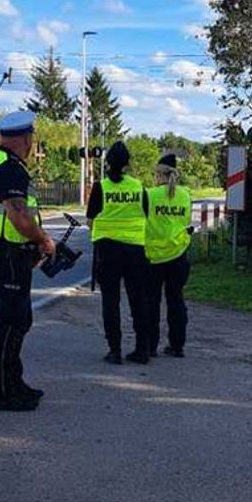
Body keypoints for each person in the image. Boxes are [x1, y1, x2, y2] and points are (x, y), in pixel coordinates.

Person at [0, 111, 56, 411]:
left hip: (9, 252)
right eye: (32, 138)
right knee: (9, 323)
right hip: (7, 253)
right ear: (26, 138)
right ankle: (3, 393)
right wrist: (43, 240)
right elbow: (20, 217)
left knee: (20, 320)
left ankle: (15, 382)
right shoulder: (10, 169)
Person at [87, 141, 151, 365]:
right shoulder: (138, 186)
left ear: (108, 163)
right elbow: (146, 214)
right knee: (138, 299)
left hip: (107, 249)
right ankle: (142, 350)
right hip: (135, 248)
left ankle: (114, 350)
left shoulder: (100, 187)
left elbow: (90, 219)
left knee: (110, 300)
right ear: (128, 164)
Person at [143, 154, 193, 358]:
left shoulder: (150, 195)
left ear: (158, 174)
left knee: (151, 302)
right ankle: (177, 345)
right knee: (176, 300)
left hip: (154, 256)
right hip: (179, 254)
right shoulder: (185, 195)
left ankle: (150, 345)